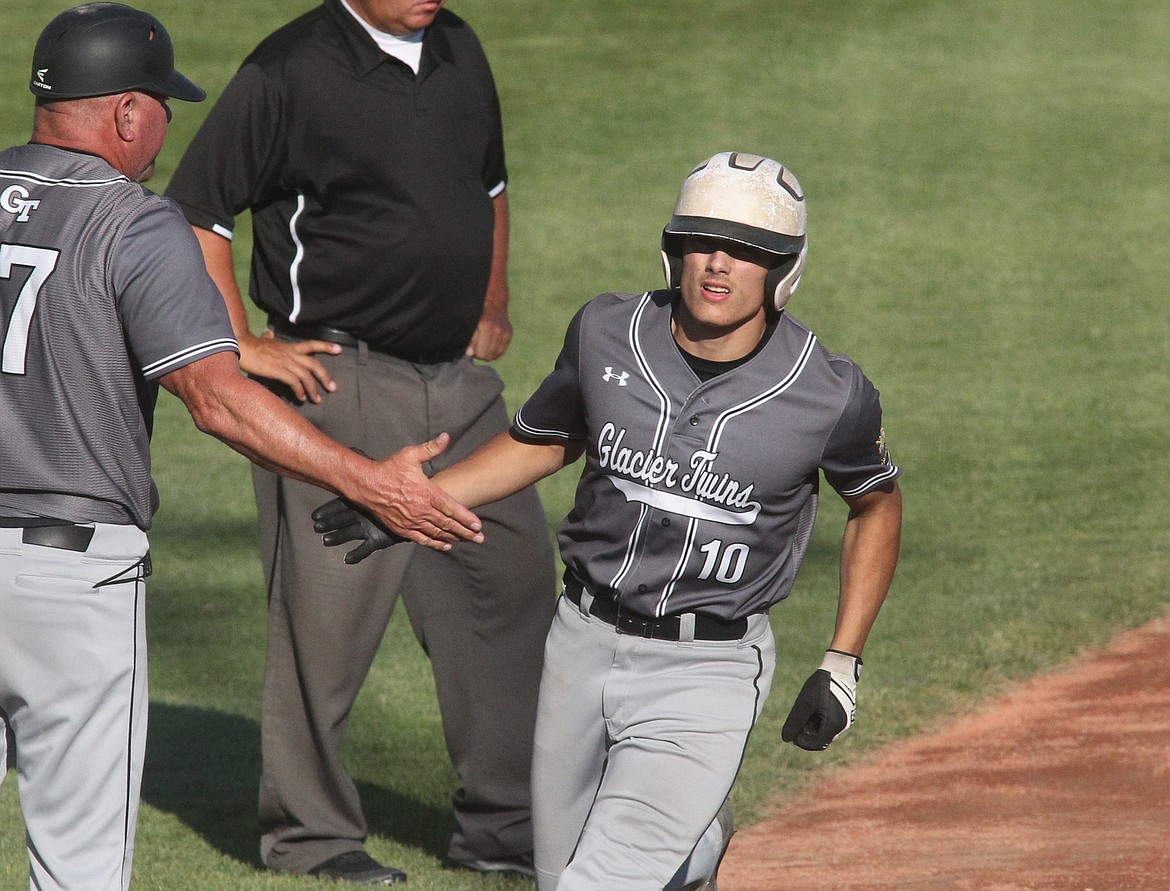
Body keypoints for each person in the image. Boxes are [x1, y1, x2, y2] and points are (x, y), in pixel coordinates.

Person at [316, 151, 905, 890]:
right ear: (674, 249)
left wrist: (841, 662)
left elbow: (876, 505)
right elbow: (546, 440)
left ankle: (677, 840)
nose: (717, 264)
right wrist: (416, 504)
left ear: (783, 270)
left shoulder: (828, 393)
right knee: (562, 868)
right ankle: (694, 853)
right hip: (580, 642)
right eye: (700, 241)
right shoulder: (606, 332)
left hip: (707, 668)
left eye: (747, 251)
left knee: (598, 883)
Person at [0, 5, 484, 891]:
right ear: (125, 113)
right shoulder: (130, 221)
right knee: (75, 870)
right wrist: (369, 479)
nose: (167, 126)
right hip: (67, 582)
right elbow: (218, 401)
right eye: (162, 104)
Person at [163, 0, 556, 883]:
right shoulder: (288, 68)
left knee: (511, 585)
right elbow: (196, 214)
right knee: (325, 619)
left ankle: (507, 829)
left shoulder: (457, 44)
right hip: (339, 383)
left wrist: (491, 300)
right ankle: (311, 838)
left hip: (457, 382)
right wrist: (238, 348)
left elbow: (490, 186)